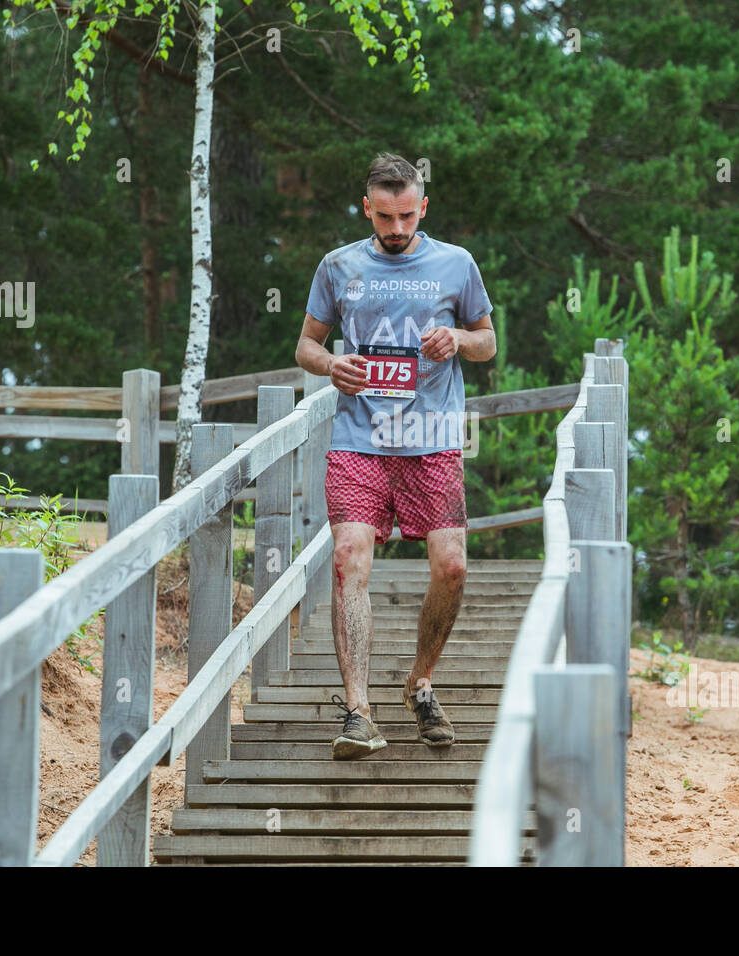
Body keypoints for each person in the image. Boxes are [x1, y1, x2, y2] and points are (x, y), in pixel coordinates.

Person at [294, 152, 496, 759]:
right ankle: (358, 712)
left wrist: (458, 338)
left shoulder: (456, 265)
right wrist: (331, 364)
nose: (397, 228)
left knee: (452, 567)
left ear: (423, 207)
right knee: (349, 561)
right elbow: (306, 343)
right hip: (359, 439)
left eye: (407, 215)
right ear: (367, 209)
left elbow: (487, 342)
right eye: (385, 217)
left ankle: (421, 683)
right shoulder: (339, 266)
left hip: (431, 438)